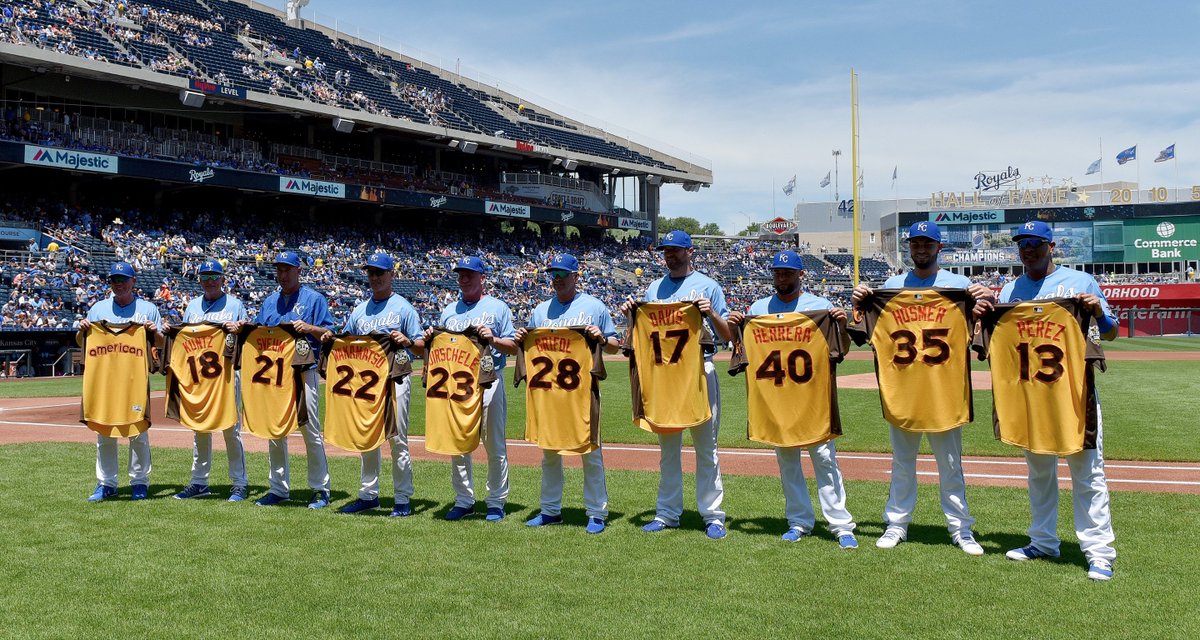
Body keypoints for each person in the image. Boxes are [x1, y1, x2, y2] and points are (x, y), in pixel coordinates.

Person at [976, 220, 1118, 581]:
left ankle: (1099, 552)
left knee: (1087, 474)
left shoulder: (1081, 282)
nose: (1029, 249)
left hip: (1073, 394)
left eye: (1036, 243)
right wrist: (982, 316)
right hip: (1030, 396)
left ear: (1051, 246)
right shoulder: (1010, 290)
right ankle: (1042, 541)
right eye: (1023, 243)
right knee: (1039, 474)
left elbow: (1111, 332)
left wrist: (1098, 311)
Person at [850, 221, 990, 555]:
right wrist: (862, 299)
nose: (921, 249)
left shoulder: (960, 286)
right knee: (902, 463)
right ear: (909, 248)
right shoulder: (891, 286)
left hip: (944, 390)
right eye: (916, 244)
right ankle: (897, 524)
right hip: (905, 388)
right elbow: (864, 332)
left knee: (951, 464)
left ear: (939, 248)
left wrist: (983, 300)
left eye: (927, 244)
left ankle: (960, 528)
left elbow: (981, 330)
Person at [727, 250, 858, 548]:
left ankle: (840, 524)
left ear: (801, 275)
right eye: (777, 272)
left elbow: (843, 350)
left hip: (813, 399)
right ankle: (799, 521)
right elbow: (739, 352)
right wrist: (736, 327)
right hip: (777, 399)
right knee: (787, 461)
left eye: (787, 272)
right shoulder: (758, 310)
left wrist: (839, 325)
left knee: (825, 459)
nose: (781, 277)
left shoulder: (820, 307)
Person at [620, 230, 733, 539]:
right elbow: (637, 336)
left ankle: (713, 515)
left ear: (689, 251)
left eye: (675, 250)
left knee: (705, 448)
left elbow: (728, 336)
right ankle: (668, 513)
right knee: (668, 450)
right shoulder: (654, 288)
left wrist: (709, 313)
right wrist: (632, 314)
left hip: (699, 371)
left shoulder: (708, 286)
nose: (669, 254)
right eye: (666, 250)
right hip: (664, 376)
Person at [514, 254, 619, 534]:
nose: (557, 279)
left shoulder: (594, 307)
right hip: (549, 393)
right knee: (549, 452)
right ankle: (550, 511)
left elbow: (614, 346)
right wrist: (522, 337)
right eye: (554, 274)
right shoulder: (540, 310)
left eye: (563, 274)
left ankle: (596, 513)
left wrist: (601, 337)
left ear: (576, 276)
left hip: (583, 392)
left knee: (590, 452)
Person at [426, 256, 517, 522]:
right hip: (455, 383)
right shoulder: (449, 311)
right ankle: (464, 500)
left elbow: (513, 347)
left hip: (489, 380)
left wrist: (495, 339)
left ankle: (496, 501)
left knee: (494, 443)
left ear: (482, 278)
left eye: (469, 274)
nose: (463, 279)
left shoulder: (498, 308)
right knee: (458, 443)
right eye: (460, 275)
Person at [335, 253, 425, 517]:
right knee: (367, 438)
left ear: (391, 275)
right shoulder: (359, 310)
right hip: (366, 383)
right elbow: (347, 341)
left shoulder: (403, 307)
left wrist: (407, 341)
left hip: (396, 378)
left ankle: (402, 498)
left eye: (380, 273)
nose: (374, 278)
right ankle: (368, 495)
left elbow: (421, 346)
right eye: (371, 273)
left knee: (397, 439)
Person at [251, 251, 334, 509]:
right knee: (275, 430)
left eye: (288, 269)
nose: (283, 274)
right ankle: (278, 488)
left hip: (303, 370)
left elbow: (329, 333)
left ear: (299, 271)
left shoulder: (314, 299)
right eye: (279, 270)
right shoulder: (269, 303)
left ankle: (321, 489)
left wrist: (310, 328)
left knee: (309, 428)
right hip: (275, 374)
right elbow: (257, 333)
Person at [80, 261, 162, 501]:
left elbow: (159, 344)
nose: (119, 284)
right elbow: (82, 343)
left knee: (138, 431)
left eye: (123, 280)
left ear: (133, 281)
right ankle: (106, 483)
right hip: (105, 381)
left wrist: (153, 331)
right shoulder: (97, 309)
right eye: (115, 280)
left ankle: (139, 482)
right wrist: (82, 329)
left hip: (134, 380)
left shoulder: (147, 309)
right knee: (104, 431)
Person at [170, 259, 249, 502]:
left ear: (223, 279)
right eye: (205, 277)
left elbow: (247, 338)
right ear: (199, 280)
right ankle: (199, 482)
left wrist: (240, 328)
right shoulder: (192, 307)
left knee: (230, 429)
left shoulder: (235, 305)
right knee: (200, 427)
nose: (210, 281)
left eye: (215, 277)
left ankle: (239, 483)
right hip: (199, 376)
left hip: (227, 374)